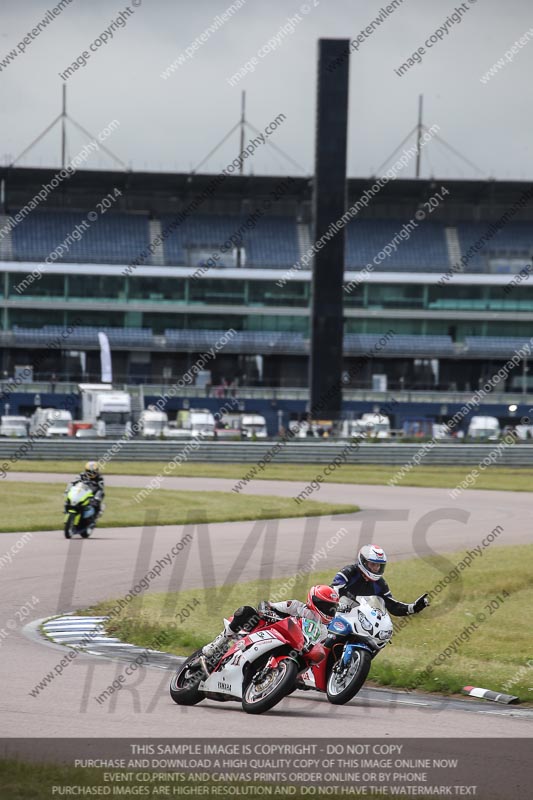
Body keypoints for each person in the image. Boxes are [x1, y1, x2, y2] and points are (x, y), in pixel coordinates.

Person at [201, 585, 340, 664]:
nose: (328, 610)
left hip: (290, 648)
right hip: (268, 631)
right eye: (325, 606)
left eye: (332, 608)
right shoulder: (296, 606)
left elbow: (317, 651)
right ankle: (218, 643)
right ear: (314, 601)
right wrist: (270, 614)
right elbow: (267, 605)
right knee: (247, 612)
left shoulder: (323, 631)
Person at [331, 544, 429, 617]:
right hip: (337, 615)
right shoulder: (349, 572)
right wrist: (337, 605)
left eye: (379, 565)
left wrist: (413, 608)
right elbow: (333, 590)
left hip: (360, 621)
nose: (376, 568)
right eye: (373, 564)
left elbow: (393, 606)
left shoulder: (380, 584)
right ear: (363, 562)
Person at [65, 461, 105, 528]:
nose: (91, 474)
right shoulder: (81, 475)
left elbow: (100, 488)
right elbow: (73, 483)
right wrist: (68, 490)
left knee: (98, 498)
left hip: (93, 493)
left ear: (96, 471)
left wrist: (96, 498)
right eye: (89, 472)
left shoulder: (99, 478)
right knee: (70, 499)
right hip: (83, 491)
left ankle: (96, 514)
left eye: (93, 472)